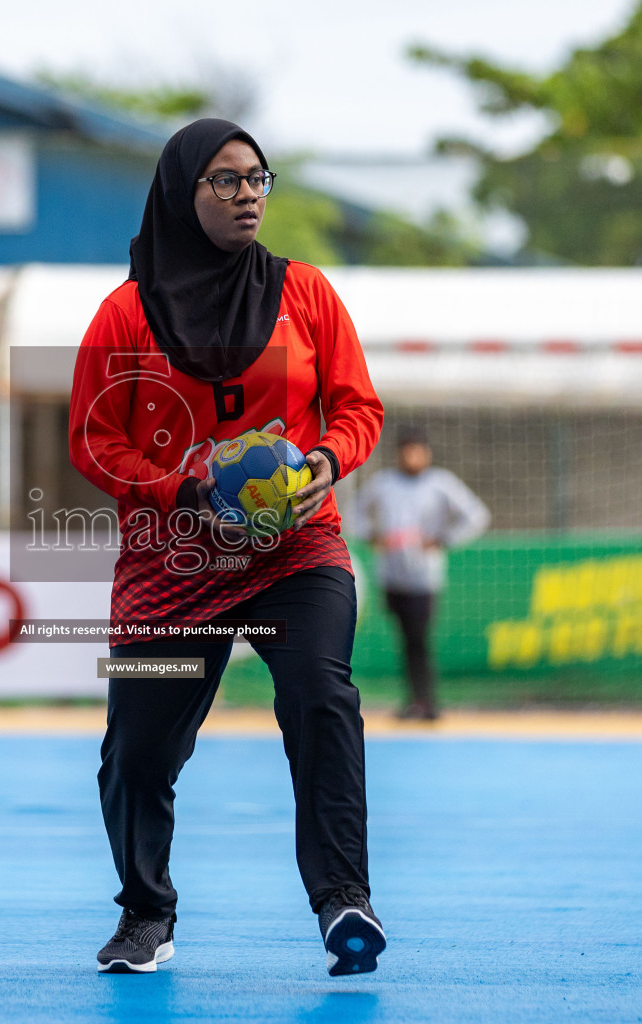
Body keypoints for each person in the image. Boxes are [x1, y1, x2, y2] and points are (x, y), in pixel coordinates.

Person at [68, 118, 387, 977]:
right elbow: (95, 442)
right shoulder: (125, 312)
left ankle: (343, 902)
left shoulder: (307, 294)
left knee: (321, 699)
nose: (248, 194)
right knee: (137, 751)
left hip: (296, 553)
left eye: (258, 179)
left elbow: (359, 408)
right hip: (172, 566)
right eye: (226, 181)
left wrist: (324, 460)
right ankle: (146, 916)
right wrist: (185, 490)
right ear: (182, 192)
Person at [357, 425, 490, 720]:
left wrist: (442, 539)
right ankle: (415, 699)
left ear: (426, 453)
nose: (412, 456)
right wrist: (374, 537)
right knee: (406, 639)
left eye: (418, 450)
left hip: (424, 578)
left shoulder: (440, 484)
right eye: (407, 450)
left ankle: (426, 701)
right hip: (392, 575)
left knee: (418, 639)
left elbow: (476, 516)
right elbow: (356, 514)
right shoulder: (383, 483)